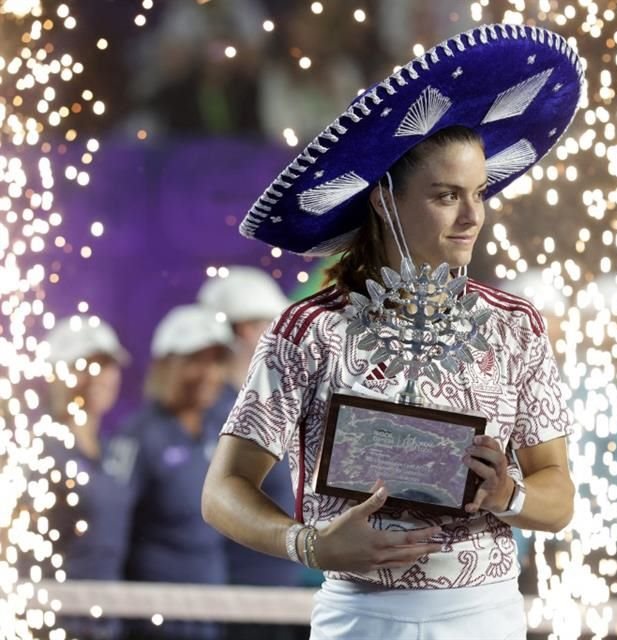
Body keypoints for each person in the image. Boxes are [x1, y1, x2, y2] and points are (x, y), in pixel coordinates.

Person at [202, 23, 582, 639]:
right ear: (383, 198)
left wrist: (509, 495)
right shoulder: (310, 329)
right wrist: (308, 544)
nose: (472, 216)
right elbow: (222, 491)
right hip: (359, 618)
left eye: (480, 193)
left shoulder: (516, 326)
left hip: (485, 617)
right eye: (445, 195)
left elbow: (559, 498)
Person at [198, 267, 305, 639]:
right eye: (272, 324)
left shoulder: (274, 404)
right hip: (237, 605)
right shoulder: (214, 414)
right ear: (246, 330)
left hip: (279, 594)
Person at [121, 305, 233, 640]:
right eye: (194, 361)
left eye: (215, 361)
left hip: (212, 615)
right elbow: (117, 531)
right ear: (165, 366)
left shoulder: (222, 430)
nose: (207, 373)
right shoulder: (139, 436)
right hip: (155, 620)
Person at [43, 316, 133, 640]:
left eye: (106, 365)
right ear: (56, 374)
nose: (97, 377)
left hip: (106, 623)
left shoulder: (115, 453)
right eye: (83, 365)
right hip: (51, 623)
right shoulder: (38, 452)